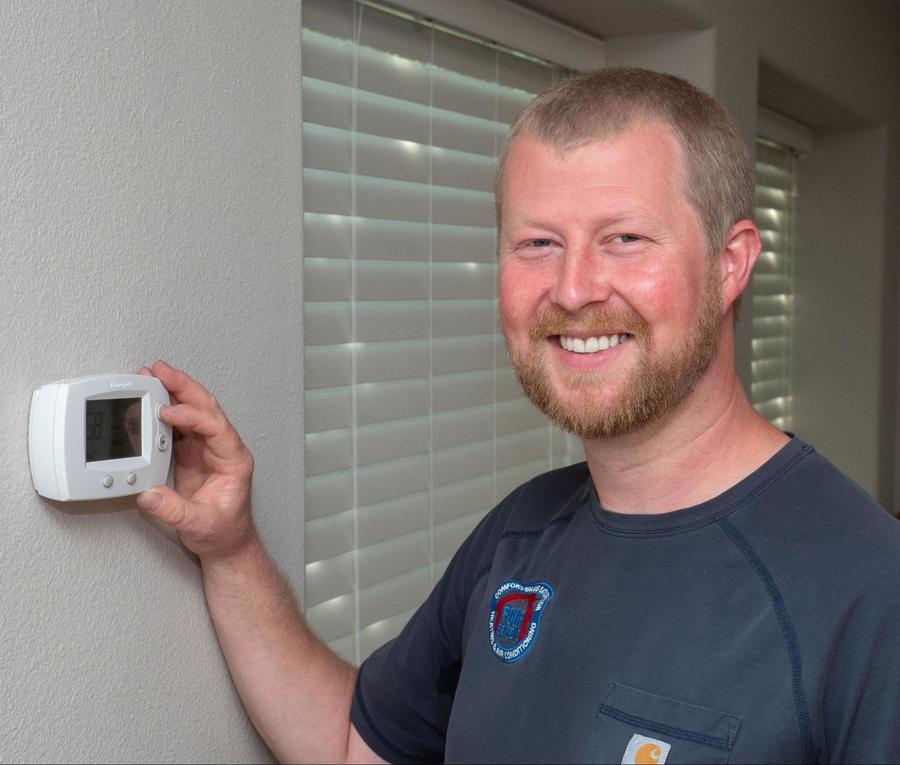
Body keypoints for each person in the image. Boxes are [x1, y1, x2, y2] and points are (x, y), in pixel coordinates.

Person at [136, 68, 900, 764]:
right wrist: (231, 550)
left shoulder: (865, 587)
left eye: (623, 239)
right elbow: (350, 745)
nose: (572, 290)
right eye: (537, 243)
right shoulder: (520, 533)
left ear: (730, 263)